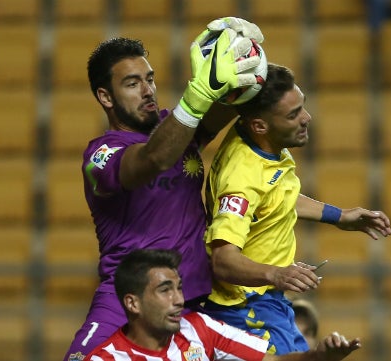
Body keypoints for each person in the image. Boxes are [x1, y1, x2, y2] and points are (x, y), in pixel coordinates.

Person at [64, 17, 266, 361]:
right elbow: (154, 158)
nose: (147, 91)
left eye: (150, 79)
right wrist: (200, 94)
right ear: (105, 96)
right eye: (132, 83)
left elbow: (227, 104)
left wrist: (245, 58)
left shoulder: (177, 127)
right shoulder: (101, 156)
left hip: (193, 304)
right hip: (128, 306)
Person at [202, 63, 391, 355]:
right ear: (260, 125)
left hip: (269, 302)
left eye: (302, 106)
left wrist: (339, 216)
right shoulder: (241, 178)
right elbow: (223, 261)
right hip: (246, 309)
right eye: (293, 115)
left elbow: (276, 199)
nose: (307, 118)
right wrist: (276, 274)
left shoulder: (265, 145)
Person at [85, 248, 361, 361]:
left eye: (179, 288)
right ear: (133, 303)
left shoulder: (198, 328)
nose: (179, 299)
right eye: (165, 290)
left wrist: (318, 357)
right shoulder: (105, 358)